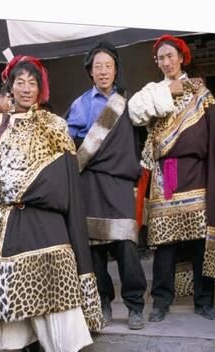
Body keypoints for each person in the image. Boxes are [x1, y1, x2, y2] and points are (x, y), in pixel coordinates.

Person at [0, 55, 102, 352]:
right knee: (13, 288)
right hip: (7, 218)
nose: (26, 88)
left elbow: (64, 178)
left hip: (46, 218)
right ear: (10, 87)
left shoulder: (53, 125)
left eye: (32, 82)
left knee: (58, 281)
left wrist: (31, 188)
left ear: (40, 88)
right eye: (20, 82)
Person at [128, 35, 215, 322]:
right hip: (168, 171)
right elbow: (135, 113)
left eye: (171, 56)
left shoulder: (202, 94)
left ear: (182, 58)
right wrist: (168, 91)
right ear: (157, 63)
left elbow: (213, 137)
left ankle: (203, 300)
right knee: (165, 240)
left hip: (196, 170)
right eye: (161, 58)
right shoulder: (153, 92)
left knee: (198, 239)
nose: (167, 62)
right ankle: (161, 300)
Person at [66, 41, 147, 329]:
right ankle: (102, 301)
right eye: (98, 67)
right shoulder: (79, 105)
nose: (103, 72)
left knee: (126, 244)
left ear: (115, 70)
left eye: (108, 66)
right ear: (90, 71)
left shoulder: (128, 103)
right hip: (90, 183)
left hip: (119, 182)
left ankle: (135, 304)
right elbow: (70, 145)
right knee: (95, 249)